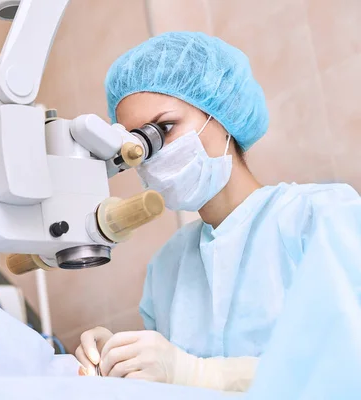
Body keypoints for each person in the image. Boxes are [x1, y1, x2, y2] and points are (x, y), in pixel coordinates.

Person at [75, 31, 361, 391]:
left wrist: (202, 375)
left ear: (221, 114)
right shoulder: (168, 267)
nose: (153, 154)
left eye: (165, 128)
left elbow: (349, 362)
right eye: (138, 145)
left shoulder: (320, 217)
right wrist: (121, 364)